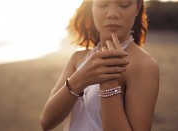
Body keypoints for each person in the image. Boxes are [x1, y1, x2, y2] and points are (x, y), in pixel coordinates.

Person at [40, 0, 159, 130]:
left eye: (124, 4)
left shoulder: (144, 65)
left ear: (137, 8)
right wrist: (79, 80)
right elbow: (46, 122)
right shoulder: (78, 58)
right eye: (103, 4)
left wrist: (108, 81)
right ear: (91, 7)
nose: (112, 14)